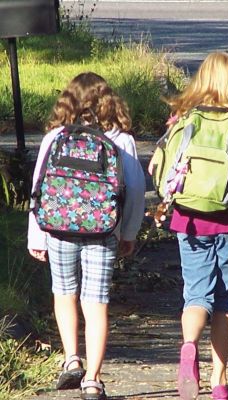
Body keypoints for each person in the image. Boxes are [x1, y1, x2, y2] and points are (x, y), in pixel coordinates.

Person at [149, 51, 228, 400]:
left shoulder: (183, 116)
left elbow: (158, 167)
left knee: (196, 293)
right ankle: (220, 383)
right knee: (225, 299)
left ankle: (189, 346)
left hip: (188, 218)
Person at [28, 72, 145, 400]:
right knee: (96, 302)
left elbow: (40, 188)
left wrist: (36, 235)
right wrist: (129, 232)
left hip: (59, 228)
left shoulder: (56, 136)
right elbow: (135, 189)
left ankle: (71, 359)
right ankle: (92, 379)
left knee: (63, 292)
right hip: (104, 229)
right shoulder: (120, 139)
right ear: (109, 101)